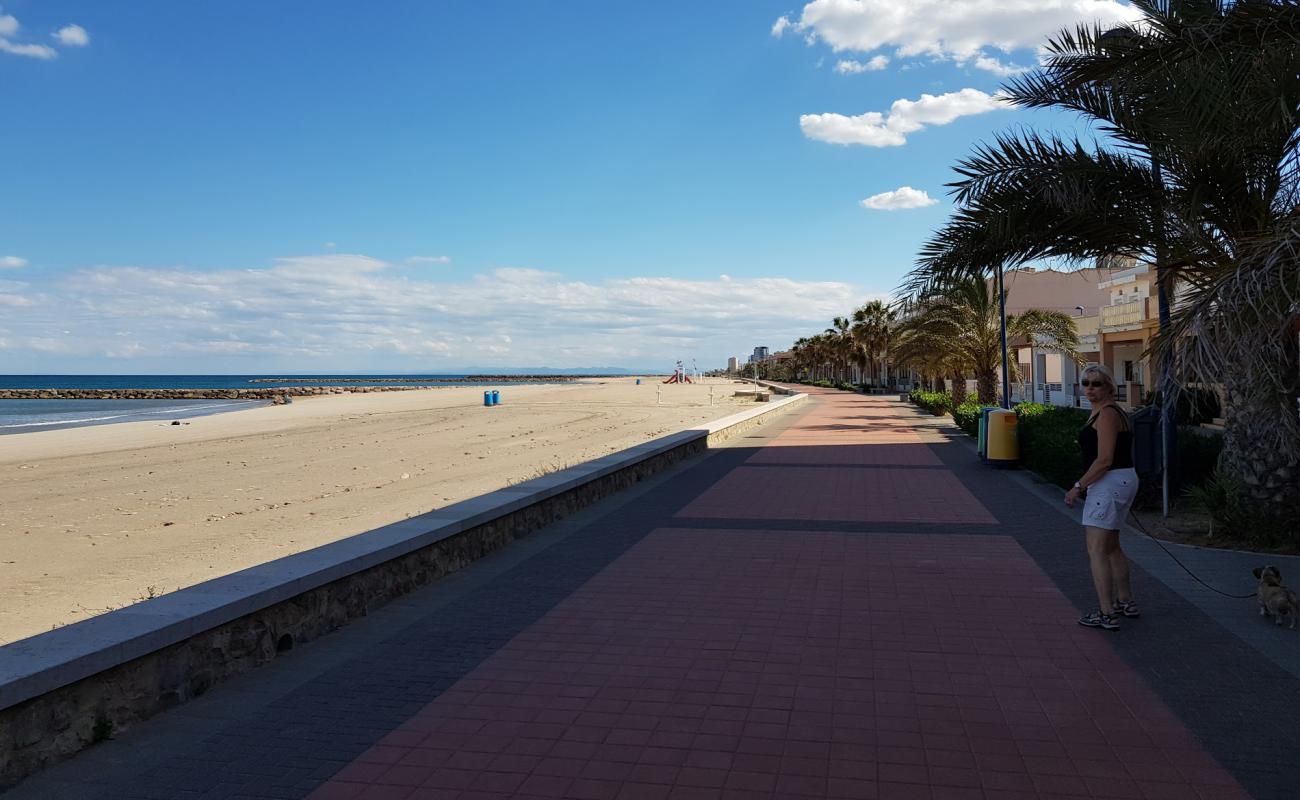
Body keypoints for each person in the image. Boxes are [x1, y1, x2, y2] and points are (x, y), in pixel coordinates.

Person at [1065, 364, 1141, 630]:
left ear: (1109, 386)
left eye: (1096, 383)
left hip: (1108, 484)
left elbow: (1104, 459)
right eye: (1085, 383)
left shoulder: (1108, 414)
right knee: (1111, 546)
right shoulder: (1107, 412)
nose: (1090, 388)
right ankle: (1125, 601)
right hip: (1120, 481)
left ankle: (1107, 612)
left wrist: (1078, 486)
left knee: (1096, 549)